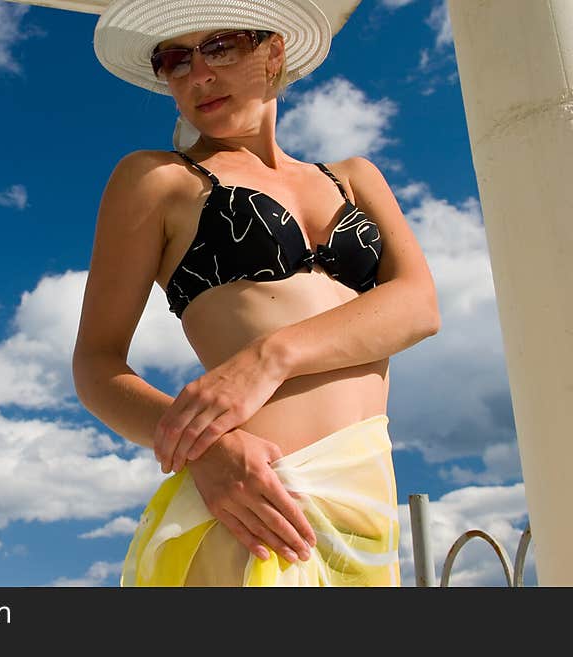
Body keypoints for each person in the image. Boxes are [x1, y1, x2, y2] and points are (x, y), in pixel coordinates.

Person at [72, 0, 440, 586]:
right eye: (175, 60)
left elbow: (419, 306)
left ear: (273, 53)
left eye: (219, 47)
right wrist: (206, 451)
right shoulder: (157, 179)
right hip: (250, 502)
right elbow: (95, 366)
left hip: (367, 507)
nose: (198, 75)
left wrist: (269, 359)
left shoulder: (355, 176)